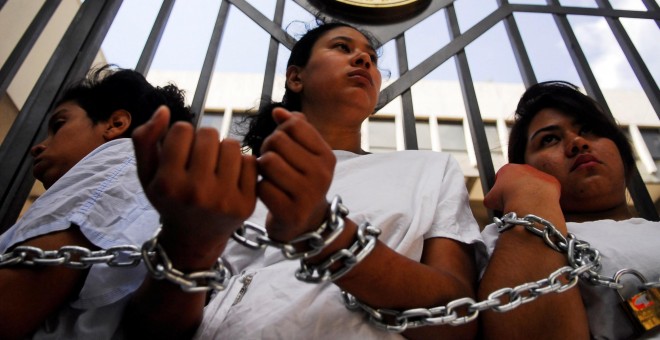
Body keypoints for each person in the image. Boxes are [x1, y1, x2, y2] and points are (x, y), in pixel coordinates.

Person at [126, 21, 485, 339]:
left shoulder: (429, 169)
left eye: (372, 59)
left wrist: (322, 230)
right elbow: (151, 331)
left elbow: (457, 320)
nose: (364, 61)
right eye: (343, 48)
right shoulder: (231, 184)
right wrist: (191, 242)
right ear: (296, 77)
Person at [0, 64, 194, 339]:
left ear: (116, 124)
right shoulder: (151, 188)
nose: (39, 146)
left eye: (59, 125)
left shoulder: (118, 160)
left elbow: (9, 306)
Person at [478, 81, 660, 339]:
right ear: (526, 168)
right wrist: (531, 196)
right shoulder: (505, 240)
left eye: (590, 130)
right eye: (549, 139)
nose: (577, 142)